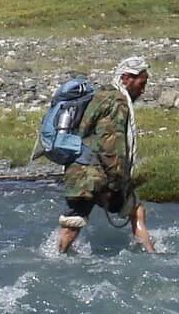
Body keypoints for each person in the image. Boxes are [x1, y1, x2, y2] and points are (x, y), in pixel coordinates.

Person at [54, 55, 156, 255]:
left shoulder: (102, 94)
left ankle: (151, 252)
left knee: (134, 208)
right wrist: (119, 180)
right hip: (94, 175)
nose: (143, 90)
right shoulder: (117, 102)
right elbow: (111, 144)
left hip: (82, 170)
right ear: (126, 78)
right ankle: (57, 257)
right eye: (141, 84)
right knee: (73, 223)